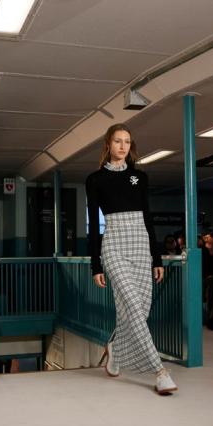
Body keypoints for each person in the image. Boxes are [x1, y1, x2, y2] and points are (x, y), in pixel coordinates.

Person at [86, 123, 176, 395]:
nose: (122, 146)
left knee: (140, 311)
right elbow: (93, 224)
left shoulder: (140, 177)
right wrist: (96, 264)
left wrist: (157, 258)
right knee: (134, 309)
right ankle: (160, 372)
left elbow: (148, 218)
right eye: (117, 141)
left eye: (126, 141)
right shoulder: (95, 180)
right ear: (108, 145)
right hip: (113, 247)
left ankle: (114, 347)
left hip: (141, 246)